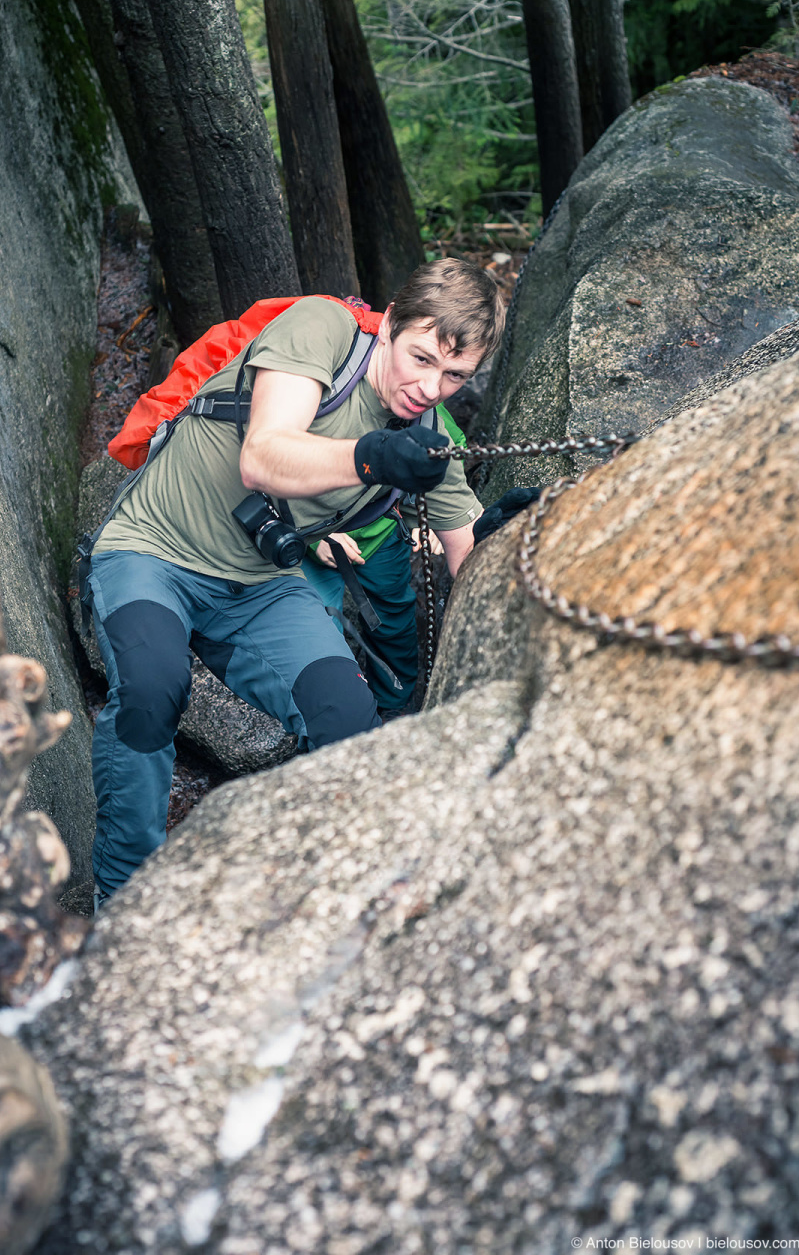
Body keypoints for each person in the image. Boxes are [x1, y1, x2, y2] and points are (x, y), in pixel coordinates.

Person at [87, 258, 505, 901]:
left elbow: (467, 558)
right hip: (154, 548)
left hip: (259, 586)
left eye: (454, 376)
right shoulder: (324, 331)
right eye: (420, 358)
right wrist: (369, 457)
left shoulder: (426, 439)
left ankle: (335, 897)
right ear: (389, 325)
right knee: (151, 688)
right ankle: (122, 903)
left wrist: (512, 540)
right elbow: (264, 456)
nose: (430, 387)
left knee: (346, 722)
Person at [300, 402, 468, 714]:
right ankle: (334, 706)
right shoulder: (309, 395)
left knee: (391, 618)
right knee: (318, 622)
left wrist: (430, 518)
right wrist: (313, 538)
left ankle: (393, 704)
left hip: (381, 527)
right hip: (310, 534)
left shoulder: (417, 403)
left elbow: (451, 450)